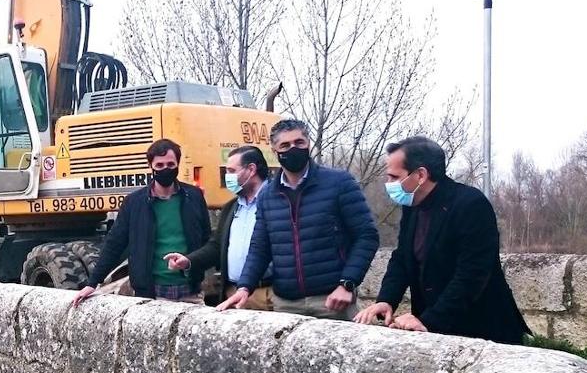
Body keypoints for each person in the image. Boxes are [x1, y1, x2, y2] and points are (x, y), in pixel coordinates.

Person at [355, 136, 530, 342]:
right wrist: (386, 300)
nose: (389, 184)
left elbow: (472, 274)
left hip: (482, 330)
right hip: (435, 330)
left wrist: (430, 321)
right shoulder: (413, 206)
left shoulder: (470, 204)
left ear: (420, 175)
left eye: (394, 177)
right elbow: (402, 258)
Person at [224, 119, 379, 320]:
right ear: (275, 151)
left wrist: (347, 283)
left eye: (299, 143)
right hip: (285, 303)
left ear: (308, 144)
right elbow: (260, 247)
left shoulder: (339, 183)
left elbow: (367, 235)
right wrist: (245, 287)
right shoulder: (268, 195)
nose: (293, 149)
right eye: (285, 145)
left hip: (331, 300)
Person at [73, 139, 211, 305]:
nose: (165, 169)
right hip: (152, 294)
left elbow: (207, 239)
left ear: (178, 164)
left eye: (170, 164)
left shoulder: (194, 196)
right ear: (150, 166)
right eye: (159, 166)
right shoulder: (134, 202)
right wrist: (92, 283)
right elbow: (115, 243)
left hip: (191, 292)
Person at [164, 145, 273, 310]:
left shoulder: (278, 202)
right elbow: (217, 247)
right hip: (234, 294)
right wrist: (189, 261)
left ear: (251, 170)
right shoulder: (231, 208)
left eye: (231, 171)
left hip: (269, 294)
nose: (227, 177)